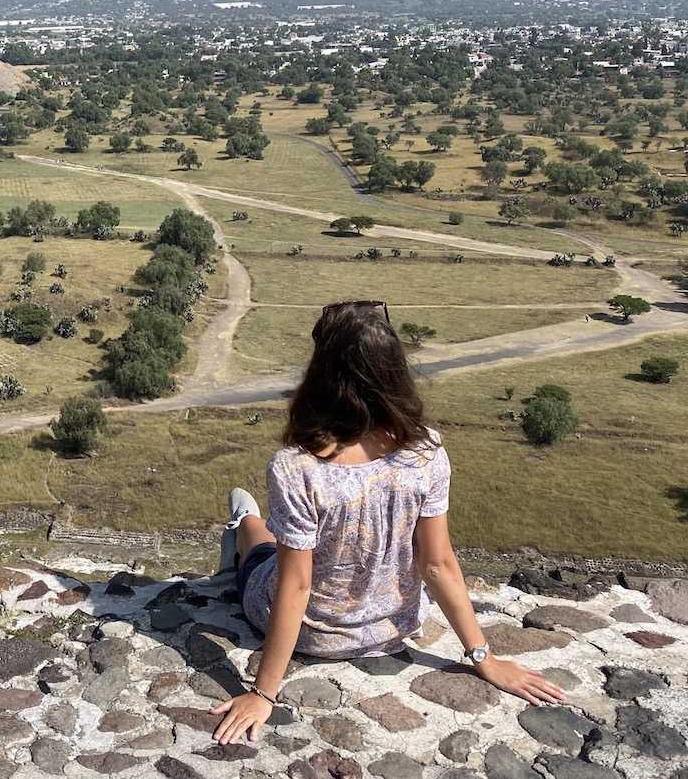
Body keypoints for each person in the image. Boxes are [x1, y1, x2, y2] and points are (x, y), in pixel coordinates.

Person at [210, 300, 564, 745]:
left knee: (258, 545)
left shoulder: (296, 467)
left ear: (321, 372)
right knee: (271, 544)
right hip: (396, 624)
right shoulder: (426, 451)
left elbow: (295, 586)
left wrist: (263, 692)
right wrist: (483, 658)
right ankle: (245, 525)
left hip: (316, 636)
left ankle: (240, 523)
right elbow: (437, 564)